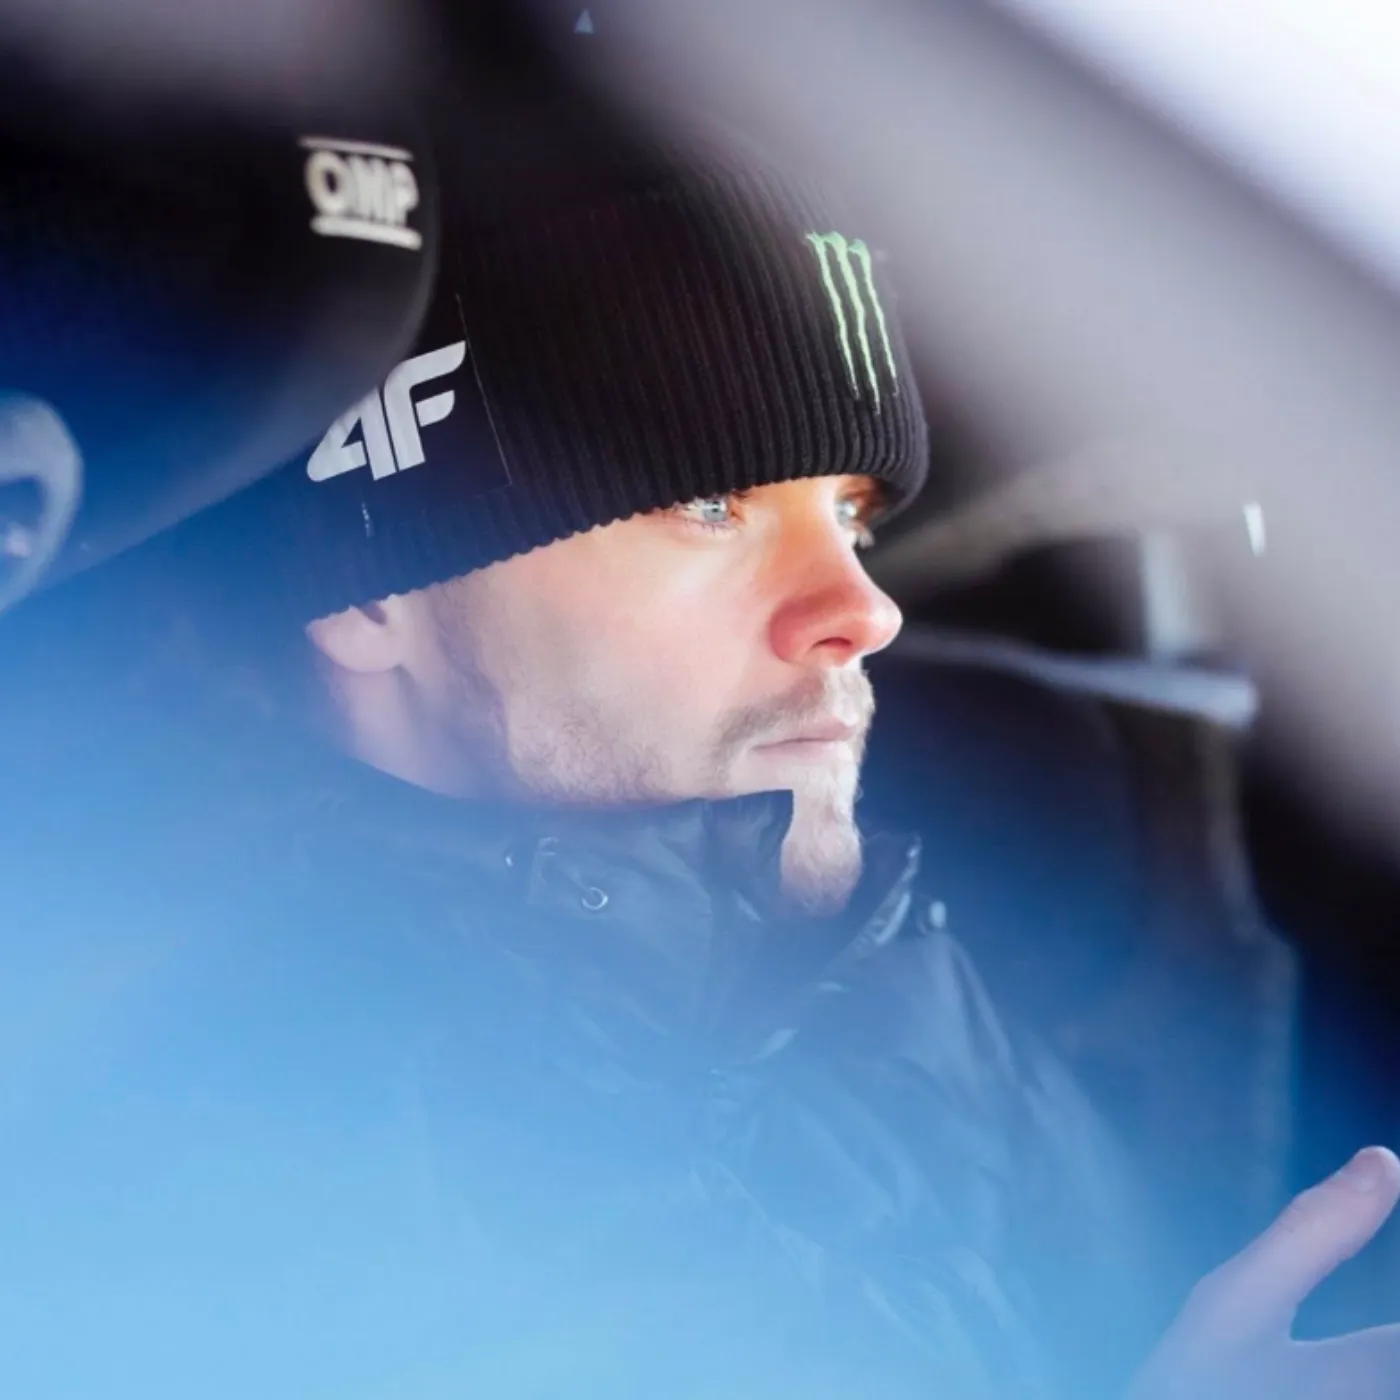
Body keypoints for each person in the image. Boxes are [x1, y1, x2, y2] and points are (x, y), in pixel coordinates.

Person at [5, 111, 1400, 1400]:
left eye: (850, 513)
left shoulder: (857, 934)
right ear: (372, 600)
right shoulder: (210, 1151)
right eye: (712, 504)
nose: (864, 608)